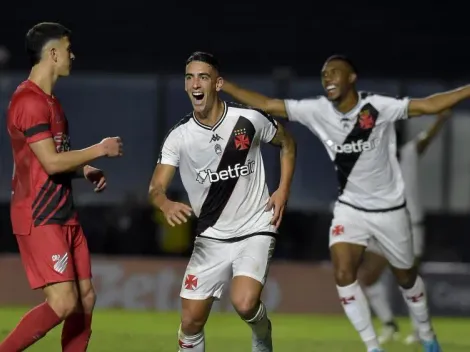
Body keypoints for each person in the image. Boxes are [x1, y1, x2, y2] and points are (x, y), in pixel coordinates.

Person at [221, 54, 470, 352]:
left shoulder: (376, 107)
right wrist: (225, 85)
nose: (328, 78)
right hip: (350, 209)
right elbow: (269, 104)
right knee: (343, 274)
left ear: (352, 78)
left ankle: (427, 335)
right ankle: (373, 347)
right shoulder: (317, 110)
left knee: (406, 277)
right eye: (324, 74)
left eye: (335, 73)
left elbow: (430, 105)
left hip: (390, 211)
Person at [148, 51, 296, 352]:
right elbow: (155, 187)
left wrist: (282, 190)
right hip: (212, 234)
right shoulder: (179, 136)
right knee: (190, 322)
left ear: (217, 83)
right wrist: (164, 203)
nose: (195, 83)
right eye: (189, 77)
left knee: (244, 302)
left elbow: (288, 143)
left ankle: (262, 333)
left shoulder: (248, 120)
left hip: (255, 226)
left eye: (203, 76)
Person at [1, 22, 123, 351]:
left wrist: (84, 169)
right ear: (53, 53)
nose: (72, 55)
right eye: (68, 49)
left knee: (85, 298)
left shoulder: (51, 103)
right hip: (39, 215)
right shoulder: (28, 101)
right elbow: (51, 163)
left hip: (62, 212)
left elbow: (54, 157)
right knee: (63, 302)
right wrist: (99, 148)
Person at [360, 110, 452, 345]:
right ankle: (390, 324)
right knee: (368, 277)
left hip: (410, 225)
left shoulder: (409, 153)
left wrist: (440, 119)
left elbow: (426, 139)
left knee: (409, 280)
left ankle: (420, 330)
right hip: (383, 224)